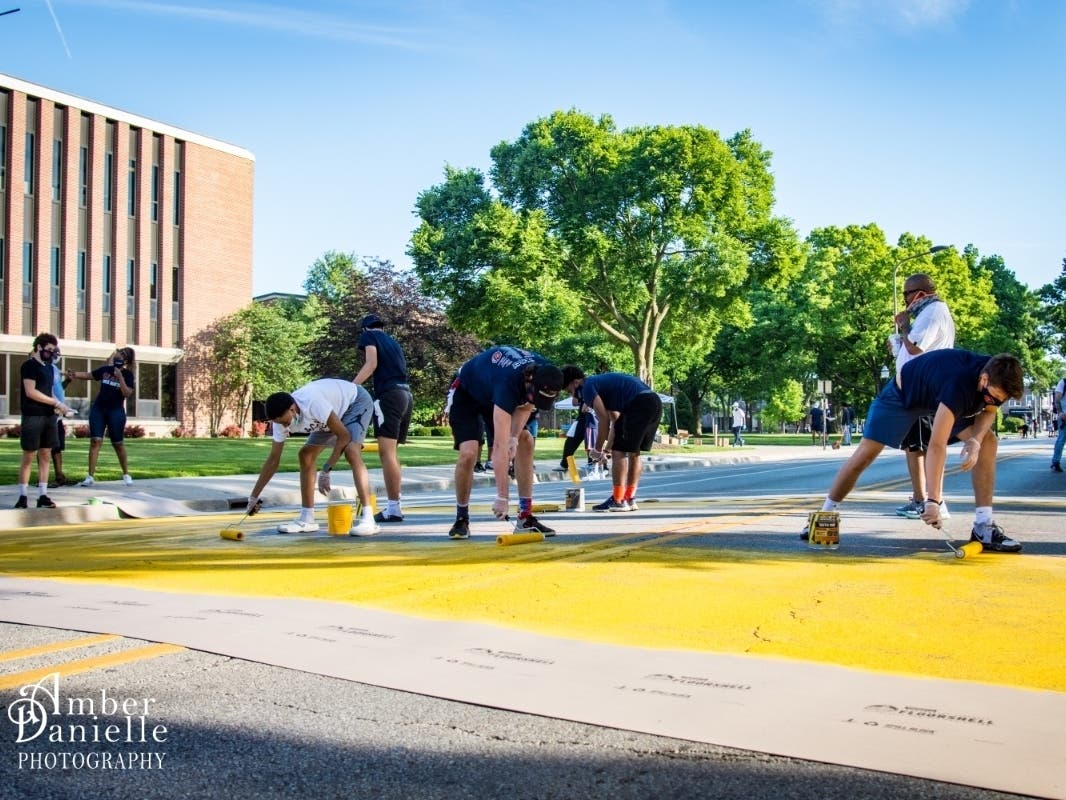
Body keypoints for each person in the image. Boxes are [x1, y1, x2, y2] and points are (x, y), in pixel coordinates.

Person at [803, 349, 1025, 552]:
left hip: (936, 397)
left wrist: (975, 441)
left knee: (988, 442)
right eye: (991, 396)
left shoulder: (996, 378)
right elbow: (936, 445)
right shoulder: (959, 383)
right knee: (866, 454)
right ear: (984, 379)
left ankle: (983, 527)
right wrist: (933, 501)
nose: (992, 401)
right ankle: (826, 513)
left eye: (1000, 400)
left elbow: (989, 411)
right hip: (902, 396)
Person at [444, 345, 564, 539]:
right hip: (467, 393)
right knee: (469, 452)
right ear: (530, 382)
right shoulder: (508, 383)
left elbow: (525, 408)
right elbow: (499, 447)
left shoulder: (545, 373)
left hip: (492, 391)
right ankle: (461, 518)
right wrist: (502, 497)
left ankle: (525, 517)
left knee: (526, 440)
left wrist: (514, 437)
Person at [247, 378, 378, 535]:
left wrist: (326, 470)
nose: (284, 427)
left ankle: (369, 519)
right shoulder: (279, 421)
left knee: (351, 451)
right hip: (327, 417)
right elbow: (273, 460)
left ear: (292, 409)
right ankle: (307, 518)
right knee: (305, 455)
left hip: (355, 403)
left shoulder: (312, 403)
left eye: (286, 422)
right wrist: (253, 496)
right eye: (279, 424)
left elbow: (343, 436)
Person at [890, 273, 957, 521]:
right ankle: (922, 499)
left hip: (924, 388)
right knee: (913, 446)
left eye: (906, 294)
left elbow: (916, 346)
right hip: (917, 386)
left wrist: (905, 326)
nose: (905, 300)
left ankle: (932, 501)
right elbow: (912, 348)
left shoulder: (932, 312)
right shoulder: (931, 313)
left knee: (922, 446)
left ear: (919, 294)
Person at [567, 370, 663, 512]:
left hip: (639, 404)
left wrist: (597, 450)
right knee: (633, 452)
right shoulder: (604, 388)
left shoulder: (587, 387)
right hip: (653, 401)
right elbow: (615, 423)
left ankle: (618, 500)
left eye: (568, 390)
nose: (570, 395)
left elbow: (603, 420)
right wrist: (606, 450)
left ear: (575, 382)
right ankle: (629, 498)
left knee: (620, 452)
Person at [351, 313, 414, 524]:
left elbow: (371, 364)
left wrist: (351, 388)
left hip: (389, 396)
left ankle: (394, 508)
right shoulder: (393, 341)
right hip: (405, 394)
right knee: (392, 453)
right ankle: (395, 506)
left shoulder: (369, 337)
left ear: (365, 329)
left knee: (385, 453)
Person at [14, 334, 72, 509]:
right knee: (29, 455)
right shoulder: (29, 366)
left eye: (53, 351)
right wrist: (55, 402)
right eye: (49, 350)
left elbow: (49, 392)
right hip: (33, 415)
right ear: (39, 347)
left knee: (45, 454)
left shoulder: (48, 367)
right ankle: (23, 496)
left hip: (49, 416)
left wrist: (62, 406)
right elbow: (31, 392)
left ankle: (43, 495)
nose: (52, 354)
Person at [65, 347, 135, 487]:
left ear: (126, 360)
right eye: (117, 355)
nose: (117, 357)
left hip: (116, 411)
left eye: (120, 356)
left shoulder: (128, 375)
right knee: (95, 441)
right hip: (99, 409)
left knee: (118, 444)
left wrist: (120, 377)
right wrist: (73, 374)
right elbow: (89, 375)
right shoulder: (105, 370)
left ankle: (126, 473)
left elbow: (127, 393)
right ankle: (90, 476)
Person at [48, 348, 74, 488]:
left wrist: (68, 381)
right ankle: (43, 480)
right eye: (55, 353)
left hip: (58, 414)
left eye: (58, 353)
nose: (57, 355)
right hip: (49, 412)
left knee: (57, 447)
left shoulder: (55, 370)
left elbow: (59, 389)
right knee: (46, 446)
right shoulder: (45, 369)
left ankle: (59, 476)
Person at [1051, 375, 1065, 472]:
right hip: (1064, 416)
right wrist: (1060, 412)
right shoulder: (1063, 382)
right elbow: (1057, 398)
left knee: (1061, 439)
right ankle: (1056, 462)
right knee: (1062, 439)